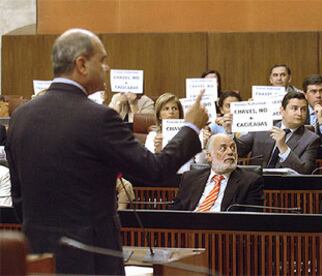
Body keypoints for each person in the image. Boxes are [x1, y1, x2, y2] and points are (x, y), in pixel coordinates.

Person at [5, 28, 208, 275]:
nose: (107, 68)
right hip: (92, 259)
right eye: (102, 61)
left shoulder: (20, 117)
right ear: (81, 64)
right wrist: (190, 127)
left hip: (38, 257)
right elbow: (155, 170)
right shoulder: (98, 117)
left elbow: (19, 199)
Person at [223, 91, 320, 174]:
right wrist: (229, 132)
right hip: (255, 183)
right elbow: (239, 150)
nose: (299, 113)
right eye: (294, 108)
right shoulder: (263, 128)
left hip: (285, 189)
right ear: (282, 110)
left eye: (303, 109)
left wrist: (283, 147)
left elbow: (304, 171)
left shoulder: (311, 139)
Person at [172, 133, 264, 211]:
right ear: (209, 156)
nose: (230, 152)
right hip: (189, 228)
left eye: (233, 148)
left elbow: (250, 221)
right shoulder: (190, 178)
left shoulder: (250, 182)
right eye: (223, 149)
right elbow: (176, 212)